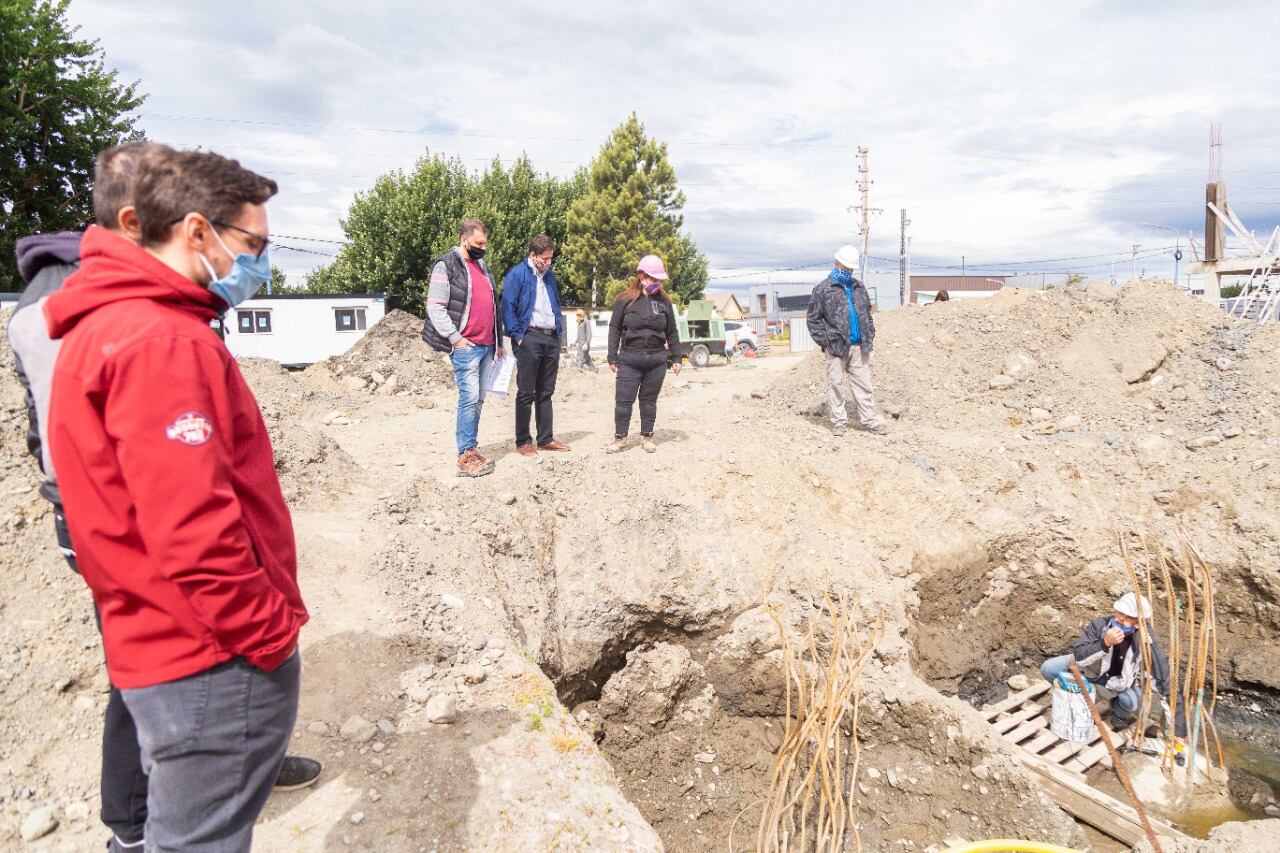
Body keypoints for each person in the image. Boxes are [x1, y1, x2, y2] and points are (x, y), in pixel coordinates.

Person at [10, 142, 318, 853]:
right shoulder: (159, 341)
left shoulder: (108, 322)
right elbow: (193, 531)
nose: (260, 262)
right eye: (253, 242)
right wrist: (268, 637)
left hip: (165, 645)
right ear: (196, 231)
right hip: (205, 657)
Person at [422, 219, 505, 477]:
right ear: (464, 239)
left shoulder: (482, 267)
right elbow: (434, 305)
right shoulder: (446, 265)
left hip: (486, 346)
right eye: (479, 243)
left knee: (478, 399)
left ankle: (471, 448)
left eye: (485, 244)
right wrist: (455, 338)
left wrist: (499, 342)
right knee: (468, 399)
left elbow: (493, 307)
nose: (483, 248)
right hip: (466, 346)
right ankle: (465, 455)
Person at [1040, 593, 1185, 737]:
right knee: (1049, 668)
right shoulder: (1100, 625)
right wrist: (1105, 643)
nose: (1120, 618)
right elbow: (1079, 655)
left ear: (1139, 622)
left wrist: (1178, 730)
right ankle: (1079, 695)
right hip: (1087, 670)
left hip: (1116, 683)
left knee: (1131, 702)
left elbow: (1165, 682)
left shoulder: (1146, 643)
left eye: (1128, 616)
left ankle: (1118, 714)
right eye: (1119, 612)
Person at [806, 244, 888, 437]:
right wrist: (826, 341)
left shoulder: (858, 287)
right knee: (835, 384)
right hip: (836, 348)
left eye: (851, 269)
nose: (848, 272)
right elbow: (813, 319)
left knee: (863, 385)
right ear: (836, 263)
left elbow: (867, 314)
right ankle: (839, 422)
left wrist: (869, 333)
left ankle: (869, 421)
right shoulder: (823, 289)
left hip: (860, 346)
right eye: (845, 268)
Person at [501, 235, 570, 455]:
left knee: (546, 391)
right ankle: (523, 442)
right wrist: (519, 337)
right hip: (529, 337)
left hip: (550, 338)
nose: (549, 263)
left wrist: (557, 334)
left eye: (551, 259)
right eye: (545, 258)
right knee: (526, 392)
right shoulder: (517, 275)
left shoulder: (550, 277)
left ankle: (545, 438)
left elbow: (555, 304)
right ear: (533, 255)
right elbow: (507, 308)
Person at [606, 255, 682, 453]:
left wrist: (677, 357)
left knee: (649, 402)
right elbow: (614, 328)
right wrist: (612, 355)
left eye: (659, 280)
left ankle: (647, 437)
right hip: (630, 359)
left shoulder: (665, 302)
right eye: (654, 279)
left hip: (656, 361)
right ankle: (620, 438)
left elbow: (672, 331)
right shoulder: (624, 300)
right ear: (641, 276)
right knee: (623, 401)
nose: (657, 283)